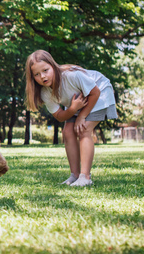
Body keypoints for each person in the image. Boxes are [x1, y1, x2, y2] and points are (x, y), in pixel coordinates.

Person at [25, 50, 117, 187]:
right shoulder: (45, 92)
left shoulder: (72, 76)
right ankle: (75, 175)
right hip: (80, 103)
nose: (42, 76)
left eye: (45, 70)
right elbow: (60, 116)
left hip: (99, 93)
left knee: (84, 129)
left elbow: (95, 92)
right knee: (68, 132)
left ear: (53, 66)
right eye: (37, 74)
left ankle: (85, 177)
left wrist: (81, 116)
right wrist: (73, 109)